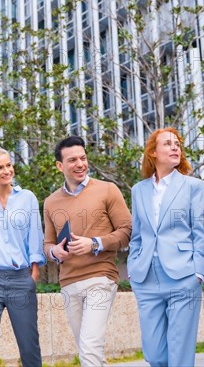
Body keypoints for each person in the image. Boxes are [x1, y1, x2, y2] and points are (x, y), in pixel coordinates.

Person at [43, 136, 132, 367]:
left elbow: (127, 232)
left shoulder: (107, 190)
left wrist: (94, 243)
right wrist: (55, 253)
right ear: (60, 166)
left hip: (101, 277)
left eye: (83, 158)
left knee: (90, 346)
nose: (80, 164)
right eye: (72, 160)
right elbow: (47, 245)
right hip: (69, 282)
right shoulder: (51, 202)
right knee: (88, 349)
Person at [127, 127, 204, 367]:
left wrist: (199, 272)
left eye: (177, 144)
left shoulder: (193, 186)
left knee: (180, 353)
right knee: (154, 354)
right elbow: (138, 235)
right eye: (168, 144)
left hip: (183, 275)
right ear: (153, 152)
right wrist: (133, 268)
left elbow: (201, 231)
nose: (175, 147)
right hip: (146, 277)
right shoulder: (138, 190)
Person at [0, 148, 46, 367]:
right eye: (0, 167)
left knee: (29, 347)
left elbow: (35, 235)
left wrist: (33, 271)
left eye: (9, 165)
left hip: (21, 280)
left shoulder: (27, 198)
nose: (7, 171)